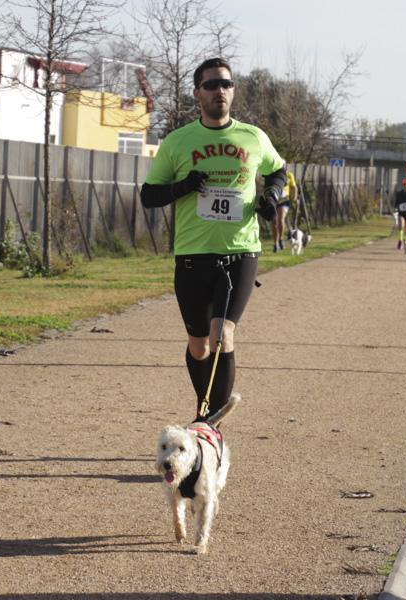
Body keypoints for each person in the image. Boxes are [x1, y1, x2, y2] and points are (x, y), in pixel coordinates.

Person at [140, 57, 286, 421]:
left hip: (240, 252)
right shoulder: (177, 142)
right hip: (192, 256)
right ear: (197, 93)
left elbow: (279, 170)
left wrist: (271, 198)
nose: (220, 90)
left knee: (223, 336)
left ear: (233, 91)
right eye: (211, 84)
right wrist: (184, 186)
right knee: (200, 346)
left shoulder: (253, 137)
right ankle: (204, 408)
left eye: (226, 83)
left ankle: (210, 427)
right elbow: (149, 195)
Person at [272, 167, 298, 252]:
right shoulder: (271, 174)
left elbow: (294, 187)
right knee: (274, 222)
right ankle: (276, 244)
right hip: (274, 201)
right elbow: (263, 186)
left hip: (284, 201)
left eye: (283, 165)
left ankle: (281, 238)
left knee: (281, 219)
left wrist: (294, 198)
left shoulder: (289, 175)